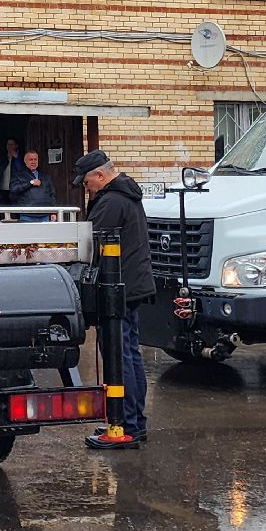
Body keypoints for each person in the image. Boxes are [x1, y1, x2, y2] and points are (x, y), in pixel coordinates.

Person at [73, 150, 156, 445]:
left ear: (100, 175)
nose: (87, 189)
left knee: (120, 355)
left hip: (119, 287)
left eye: (86, 183)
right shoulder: (125, 195)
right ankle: (131, 421)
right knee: (129, 353)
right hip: (131, 285)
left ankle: (127, 425)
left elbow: (91, 243)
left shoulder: (111, 201)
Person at [9, 149, 55, 221]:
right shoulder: (19, 175)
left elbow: (52, 195)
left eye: (35, 159)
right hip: (27, 214)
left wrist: (53, 212)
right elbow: (13, 189)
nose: (33, 162)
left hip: (45, 214)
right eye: (31, 160)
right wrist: (30, 183)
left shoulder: (45, 176)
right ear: (25, 161)